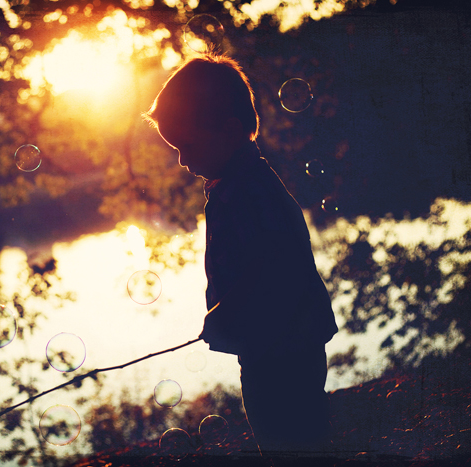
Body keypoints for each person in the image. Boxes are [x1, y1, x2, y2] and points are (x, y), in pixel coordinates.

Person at [144, 55, 339, 453]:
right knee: (281, 437)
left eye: (187, 145)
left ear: (231, 131)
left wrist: (226, 313)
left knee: (291, 438)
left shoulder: (251, 192)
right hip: (268, 342)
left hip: (285, 343)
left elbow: (271, 271)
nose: (182, 159)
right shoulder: (234, 184)